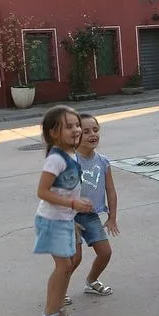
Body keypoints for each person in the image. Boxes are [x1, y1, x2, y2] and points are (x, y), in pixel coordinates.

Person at [34, 105, 92, 316]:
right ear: (53, 133)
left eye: (77, 125)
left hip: (64, 219)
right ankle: (49, 313)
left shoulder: (70, 154)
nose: (76, 130)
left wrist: (72, 215)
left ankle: (58, 309)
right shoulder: (56, 159)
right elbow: (42, 192)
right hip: (51, 220)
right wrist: (73, 204)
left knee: (69, 264)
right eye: (69, 126)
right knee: (63, 267)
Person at [70, 113, 118, 299]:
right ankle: (59, 290)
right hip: (69, 216)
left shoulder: (103, 161)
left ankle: (91, 281)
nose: (93, 134)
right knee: (74, 258)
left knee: (105, 252)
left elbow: (110, 190)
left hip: (90, 215)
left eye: (96, 130)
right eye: (86, 131)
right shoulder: (71, 161)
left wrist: (112, 217)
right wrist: (68, 220)